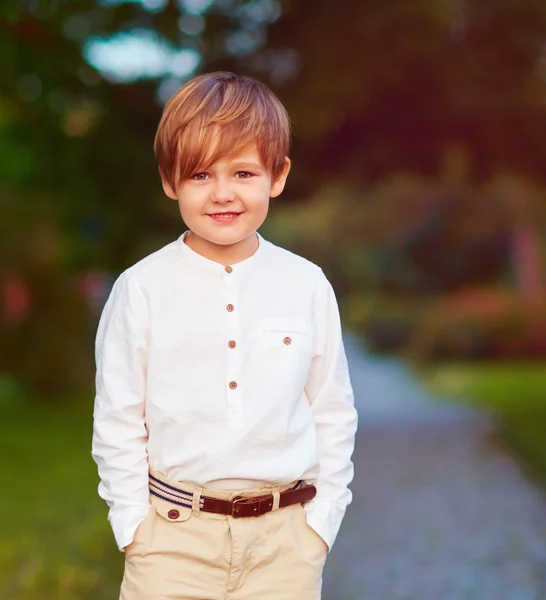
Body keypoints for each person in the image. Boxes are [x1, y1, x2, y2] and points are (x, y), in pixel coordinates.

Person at [92, 71, 357, 600]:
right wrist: (133, 530)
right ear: (170, 181)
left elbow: (331, 409)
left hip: (285, 545)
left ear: (277, 176)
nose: (222, 194)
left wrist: (321, 523)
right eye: (199, 175)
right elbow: (118, 419)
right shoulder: (141, 288)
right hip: (171, 543)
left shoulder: (305, 284)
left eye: (243, 172)